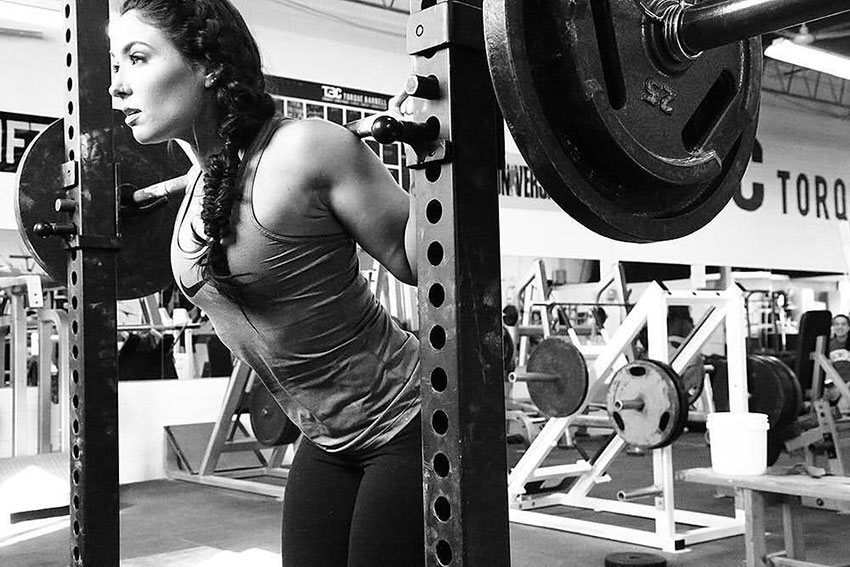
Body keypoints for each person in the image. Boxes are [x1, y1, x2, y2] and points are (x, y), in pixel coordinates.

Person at [108, 2, 422, 566]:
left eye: (137, 58)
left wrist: (435, 161)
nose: (118, 87)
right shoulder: (195, 189)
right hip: (323, 436)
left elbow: (420, 262)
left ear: (207, 64)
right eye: (114, 65)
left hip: (406, 418)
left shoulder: (305, 149)